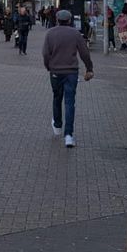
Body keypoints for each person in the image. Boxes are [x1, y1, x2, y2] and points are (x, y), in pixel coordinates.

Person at [41, 9, 94, 148]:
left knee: (57, 97)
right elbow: (84, 53)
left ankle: (57, 125)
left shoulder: (50, 33)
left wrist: (48, 66)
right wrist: (89, 68)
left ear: (57, 19)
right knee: (70, 102)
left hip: (55, 71)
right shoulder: (75, 34)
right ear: (70, 20)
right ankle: (69, 135)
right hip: (71, 72)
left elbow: (45, 54)